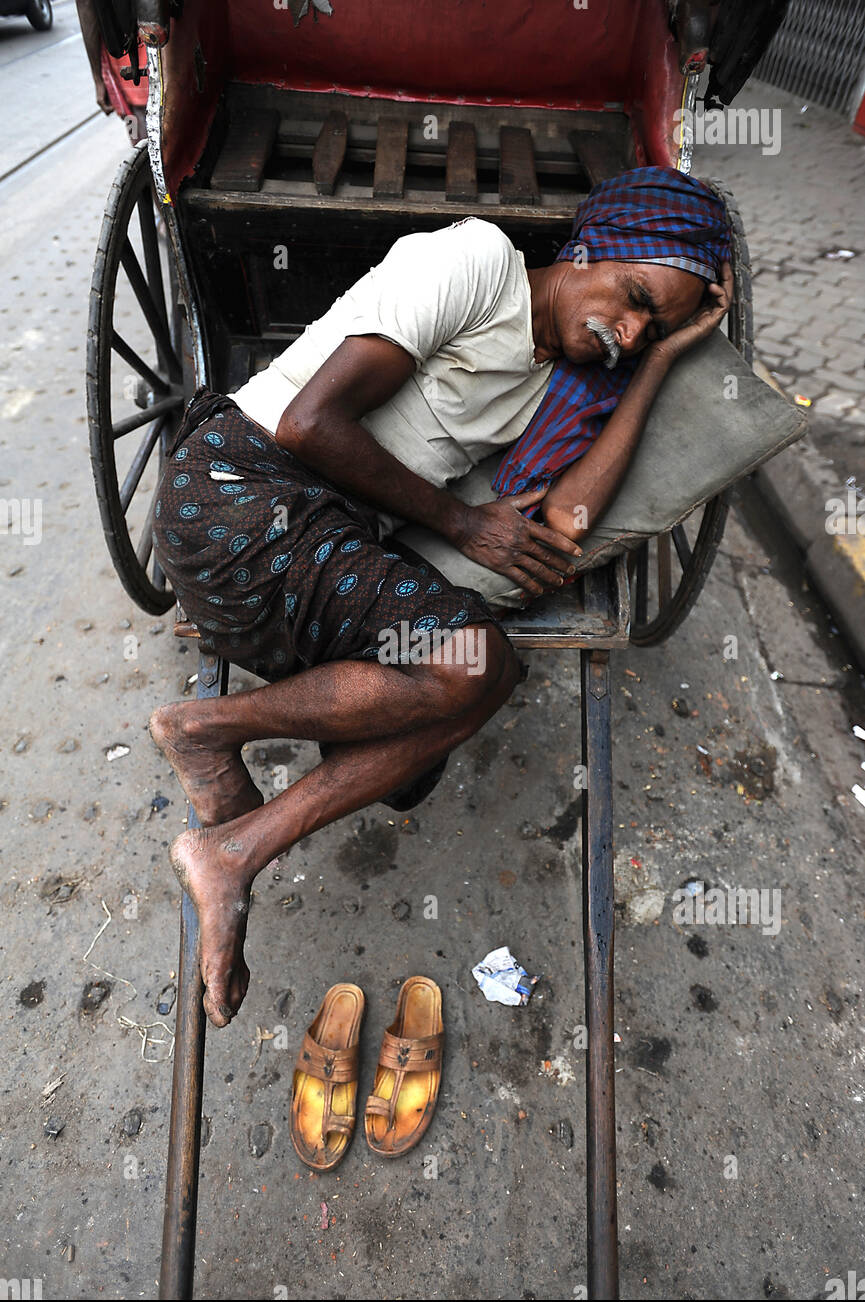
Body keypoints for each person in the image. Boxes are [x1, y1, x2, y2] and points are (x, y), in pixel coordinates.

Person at [150, 166, 732, 1027]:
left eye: (651, 330)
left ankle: (232, 837)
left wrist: (655, 367)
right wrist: (461, 524)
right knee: (476, 667)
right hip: (238, 493)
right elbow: (311, 423)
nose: (631, 328)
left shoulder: (564, 387)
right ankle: (208, 747)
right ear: (590, 250)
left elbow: (565, 521)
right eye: (637, 294)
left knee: (418, 749)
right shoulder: (476, 263)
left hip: (323, 545)